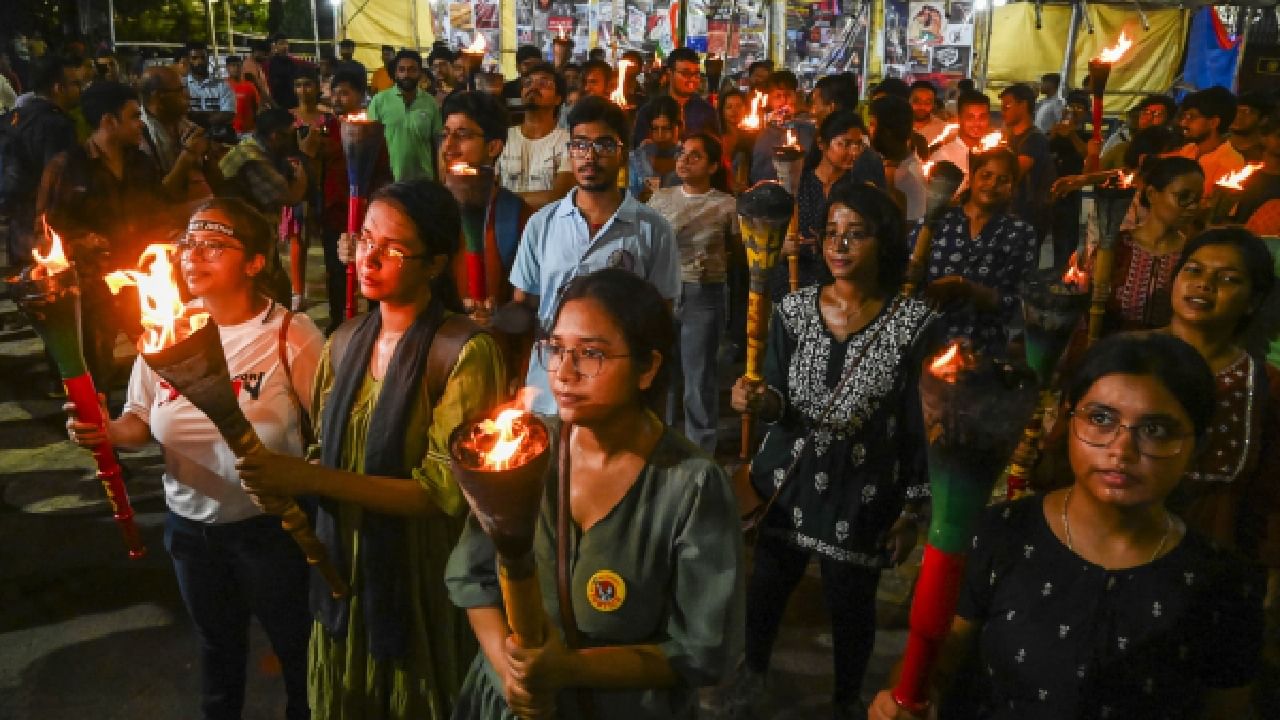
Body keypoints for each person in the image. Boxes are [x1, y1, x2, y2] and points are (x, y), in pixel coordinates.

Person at [869, 332, 1265, 720]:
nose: (1121, 450)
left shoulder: (1224, 582)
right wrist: (907, 701)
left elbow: (1226, 707)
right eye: (1100, 419)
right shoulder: (998, 533)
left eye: (1155, 429)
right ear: (1067, 421)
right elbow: (934, 665)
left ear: (1197, 446)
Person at [237, 179, 506, 719]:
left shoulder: (463, 352)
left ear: (434, 264)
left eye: (393, 247)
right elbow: (323, 452)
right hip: (342, 572)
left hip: (418, 575)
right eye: (364, 239)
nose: (370, 257)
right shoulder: (344, 339)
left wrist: (307, 479)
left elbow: (442, 495)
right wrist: (286, 485)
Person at [445, 268, 743, 719]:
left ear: (648, 368)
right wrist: (513, 675)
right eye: (557, 349)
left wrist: (568, 669)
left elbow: (702, 649)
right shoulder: (523, 453)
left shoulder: (689, 485)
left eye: (591, 354)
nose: (564, 373)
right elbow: (473, 578)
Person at [66, 198, 322, 720]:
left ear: (253, 262)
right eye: (189, 244)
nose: (192, 256)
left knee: (299, 654)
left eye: (214, 245)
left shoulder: (288, 334)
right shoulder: (166, 332)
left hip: (272, 533)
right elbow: (140, 423)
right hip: (192, 534)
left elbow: (334, 433)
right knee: (217, 652)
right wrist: (107, 431)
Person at [724, 184, 934, 720]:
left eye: (856, 234)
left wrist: (912, 511)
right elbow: (778, 400)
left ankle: (844, 700)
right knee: (767, 588)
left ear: (883, 242)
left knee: (850, 603)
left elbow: (918, 424)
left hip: (862, 487)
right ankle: (753, 672)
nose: (839, 246)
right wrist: (755, 398)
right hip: (788, 479)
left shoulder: (914, 325)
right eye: (833, 234)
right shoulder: (792, 310)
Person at [508, 96, 680, 416]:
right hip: (550, 384)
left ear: (622, 154)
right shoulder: (542, 224)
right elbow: (525, 302)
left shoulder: (651, 229)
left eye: (604, 145)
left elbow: (661, 315)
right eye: (580, 145)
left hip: (616, 385)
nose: (590, 157)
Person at [1160, 229, 1280, 557]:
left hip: (1210, 553)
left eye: (1228, 279)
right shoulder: (1126, 356)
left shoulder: (1266, 384)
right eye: (1193, 270)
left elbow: (1271, 492)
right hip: (1112, 539)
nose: (1204, 284)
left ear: (1253, 301)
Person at [647, 133, 737, 454]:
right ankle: (663, 441)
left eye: (695, 156)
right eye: (681, 153)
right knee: (663, 373)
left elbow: (741, 251)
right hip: (664, 292)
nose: (683, 160)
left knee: (699, 378)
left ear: (713, 165)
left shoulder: (726, 205)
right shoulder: (660, 199)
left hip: (704, 293)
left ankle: (701, 450)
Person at [437, 90, 533, 372]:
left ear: (493, 147)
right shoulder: (425, 211)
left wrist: (496, 317)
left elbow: (528, 313)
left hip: (493, 366)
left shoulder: (519, 218)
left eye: (463, 135)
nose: (449, 147)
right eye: (446, 134)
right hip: (437, 362)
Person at [911, 147, 1038, 351]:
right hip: (928, 341)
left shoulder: (1020, 233)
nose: (992, 185)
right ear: (972, 178)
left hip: (984, 346)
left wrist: (967, 288)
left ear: (1012, 187)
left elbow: (1018, 304)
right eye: (986, 176)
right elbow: (909, 282)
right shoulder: (939, 222)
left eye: (1002, 180)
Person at [1086, 156, 1205, 338]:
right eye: (1183, 197)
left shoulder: (1193, 255)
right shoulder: (1118, 247)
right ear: (1152, 194)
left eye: (1197, 199)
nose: (1192, 207)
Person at [772, 110, 865, 298]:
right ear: (822, 144)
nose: (854, 152)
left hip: (834, 289)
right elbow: (766, 241)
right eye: (845, 144)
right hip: (790, 285)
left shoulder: (857, 191)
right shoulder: (798, 184)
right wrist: (783, 248)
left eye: (858, 145)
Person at [4, 53, 80, 263]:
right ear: (58, 88)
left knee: (27, 287)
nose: (79, 90)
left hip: (16, 225)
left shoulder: (17, 117)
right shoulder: (57, 125)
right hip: (44, 227)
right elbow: (57, 176)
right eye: (74, 84)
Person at [496, 62, 574, 209]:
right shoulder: (504, 137)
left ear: (558, 98)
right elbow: (489, 190)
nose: (533, 88)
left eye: (544, 83)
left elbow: (558, 196)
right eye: (528, 83)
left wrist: (503, 200)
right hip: (505, 225)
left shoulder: (568, 142)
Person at [139, 65, 224, 201]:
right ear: (157, 98)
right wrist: (187, 155)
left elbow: (219, 184)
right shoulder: (139, 136)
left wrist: (208, 155)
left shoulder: (186, 125)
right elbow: (158, 199)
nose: (187, 96)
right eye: (179, 91)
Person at [368, 49, 442, 182]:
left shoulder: (430, 102)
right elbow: (370, 142)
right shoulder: (379, 101)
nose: (406, 74)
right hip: (388, 181)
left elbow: (438, 143)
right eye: (402, 70)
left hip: (423, 181)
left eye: (412, 70)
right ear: (396, 74)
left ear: (420, 73)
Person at [630, 47, 719, 149]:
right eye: (685, 73)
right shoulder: (650, 110)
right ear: (670, 73)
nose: (692, 79)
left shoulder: (706, 112)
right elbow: (640, 151)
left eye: (696, 74)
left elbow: (714, 150)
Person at [1000, 83, 1056, 238]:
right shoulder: (1009, 138)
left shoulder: (1034, 139)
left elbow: (1015, 171)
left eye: (1007, 106)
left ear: (1023, 105)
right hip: (1010, 212)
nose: (1003, 111)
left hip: (1028, 216)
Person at [1047, 90, 1092, 269]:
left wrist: (1072, 133)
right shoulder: (1057, 129)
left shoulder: (1087, 135)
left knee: (1069, 228)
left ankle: (1068, 266)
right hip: (1052, 183)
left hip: (1072, 187)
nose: (1074, 111)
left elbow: (1086, 154)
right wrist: (1054, 133)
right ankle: (1057, 265)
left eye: (1079, 108)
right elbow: (1045, 148)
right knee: (1054, 227)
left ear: (1086, 113)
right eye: (1071, 106)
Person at [749, 71, 816, 186]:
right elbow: (757, 172)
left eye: (788, 95)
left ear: (796, 96)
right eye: (778, 96)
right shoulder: (760, 130)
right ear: (769, 100)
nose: (784, 100)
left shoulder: (808, 128)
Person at [1176, 86, 1245, 195]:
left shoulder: (1231, 163)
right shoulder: (1188, 150)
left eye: (1191, 117)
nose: (1183, 123)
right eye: (1184, 116)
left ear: (1213, 122)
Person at [628, 95, 682, 201]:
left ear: (679, 127)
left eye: (666, 129)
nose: (660, 136)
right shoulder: (637, 160)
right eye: (655, 129)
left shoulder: (688, 159)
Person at [931, 90, 992, 182]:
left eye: (982, 117)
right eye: (970, 117)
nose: (977, 123)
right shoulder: (943, 156)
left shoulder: (994, 154)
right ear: (959, 119)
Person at [185, 42, 235, 123]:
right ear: (188, 60)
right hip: (189, 134)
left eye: (203, 57)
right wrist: (213, 115)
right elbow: (181, 116)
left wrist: (196, 118)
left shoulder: (222, 85)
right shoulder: (181, 85)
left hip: (216, 134)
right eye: (194, 58)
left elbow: (228, 114)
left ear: (208, 58)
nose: (199, 61)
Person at [264, 33, 306, 109]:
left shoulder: (292, 63)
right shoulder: (270, 64)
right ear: (275, 46)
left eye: (286, 43)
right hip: (278, 104)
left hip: (294, 103)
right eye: (281, 43)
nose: (285, 46)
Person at [1229, 91, 1273, 163]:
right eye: (1236, 111)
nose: (1238, 116)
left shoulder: (1271, 152)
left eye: (1248, 112)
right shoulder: (1214, 146)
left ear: (1263, 120)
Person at [225, 56, 260, 134]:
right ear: (227, 68)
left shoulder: (250, 86)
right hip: (229, 132)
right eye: (233, 65)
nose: (236, 68)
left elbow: (257, 107)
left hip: (248, 131)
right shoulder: (222, 86)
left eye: (239, 65)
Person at [909, 79, 946, 145]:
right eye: (916, 101)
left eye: (927, 103)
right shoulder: (897, 126)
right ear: (908, 100)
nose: (922, 106)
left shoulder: (942, 129)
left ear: (933, 104)